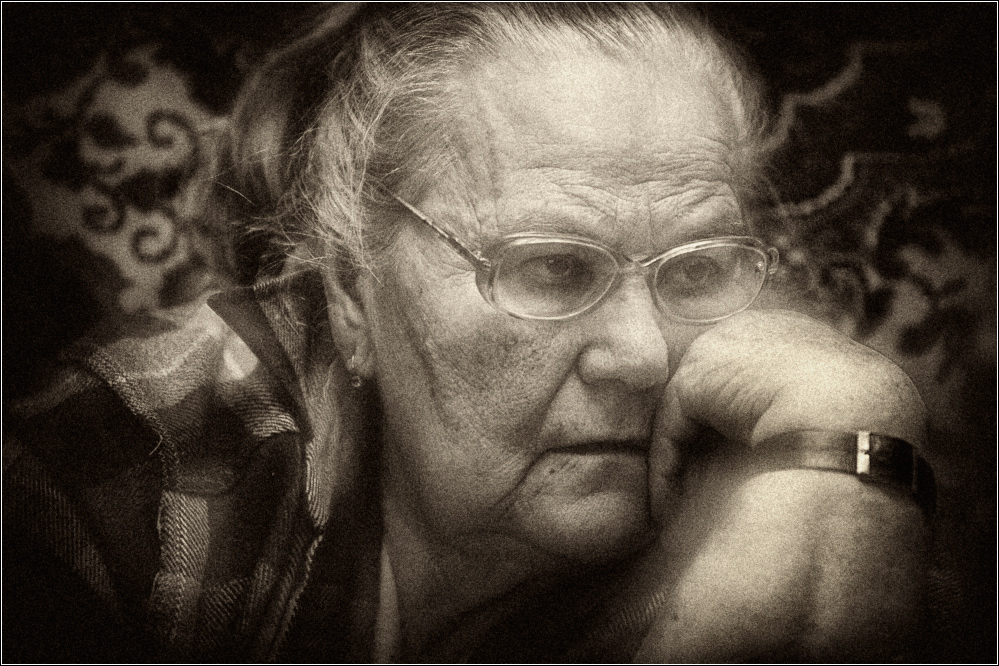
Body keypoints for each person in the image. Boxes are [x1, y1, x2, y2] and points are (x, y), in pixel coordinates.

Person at [6, 4, 940, 662]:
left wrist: (856, 444)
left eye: (693, 271)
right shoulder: (122, 467)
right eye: (551, 268)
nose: (643, 356)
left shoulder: (789, 461)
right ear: (350, 294)